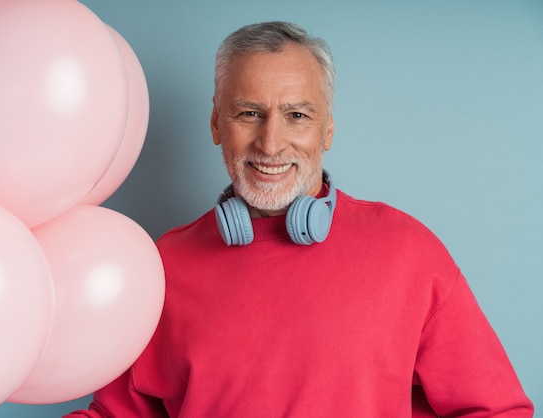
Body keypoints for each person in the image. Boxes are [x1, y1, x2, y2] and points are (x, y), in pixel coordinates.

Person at [66, 21, 533, 417]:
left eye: (296, 115)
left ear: (327, 128)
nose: (270, 143)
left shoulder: (409, 253)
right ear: (215, 124)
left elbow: (496, 410)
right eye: (249, 113)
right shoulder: (163, 265)